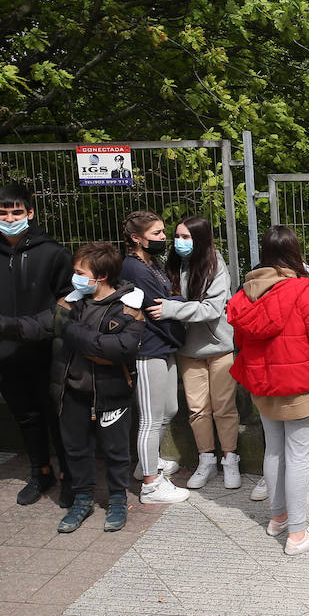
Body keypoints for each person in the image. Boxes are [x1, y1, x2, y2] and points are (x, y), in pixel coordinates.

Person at [0, 242, 148, 533]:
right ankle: (82, 499)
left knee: (116, 452)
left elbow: (119, 349)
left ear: (100, 276)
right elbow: (31, 326)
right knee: (76, 450)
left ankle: (117, 500)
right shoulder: (69, 303)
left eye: (79, 271)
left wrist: (70, 330)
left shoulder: (130, 306)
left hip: (112, 393)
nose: (73, 276)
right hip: (71, 393)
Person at [227, 226, 309, 555]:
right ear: (294, 252)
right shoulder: (302, 290)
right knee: (299, 459)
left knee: (274, 450)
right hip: (298, 385)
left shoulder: (245, 292)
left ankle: (278, 518)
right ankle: (298, 534)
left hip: (262, 384)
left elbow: (241, 341)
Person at [0, 184, 75, 508]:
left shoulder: (53, 253)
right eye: (2, 213)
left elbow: (68, 301)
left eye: (17, 212)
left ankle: (67, 477)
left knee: (57, 417)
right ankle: (39, 471)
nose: (10, 218)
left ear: (30, 213)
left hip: (48, 354)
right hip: (5, 358)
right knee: (26, 419)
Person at [152, 217, 239, 491]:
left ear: (200, 239)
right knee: (197, 409)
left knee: (224, 407)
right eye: (177, 236)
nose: (179, 242)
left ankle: (230, 460)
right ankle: (206, 459)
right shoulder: (172, 265)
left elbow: (212, 310)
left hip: (219, 347)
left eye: (187, 237)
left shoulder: (215, 265)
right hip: (187, 350)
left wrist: (171, 310)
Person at [120, 211, 190, 505]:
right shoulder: (134, 268)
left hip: (165, 345)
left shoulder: (154, 263)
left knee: (169, 409)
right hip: (148, 347)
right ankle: (150, 483)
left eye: (163, 232)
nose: (164, 238)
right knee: (149, 418)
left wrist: (176, 304)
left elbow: (169, 300)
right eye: (157, 233)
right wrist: (181, 304)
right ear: (137, 238)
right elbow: (155, 306)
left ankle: (146, 464)